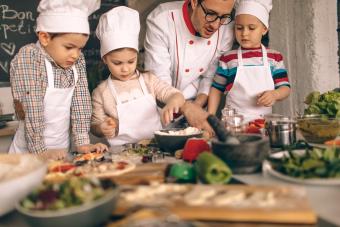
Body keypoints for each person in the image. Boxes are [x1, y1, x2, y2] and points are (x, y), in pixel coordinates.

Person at [9, 0, 108, 159]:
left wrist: (82, 142)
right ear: (44, 37)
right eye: (69, 47)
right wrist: (40, 151)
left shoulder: (77, 61)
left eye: (80, 48)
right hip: (28, 156)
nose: (75, 55)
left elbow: (80, 102)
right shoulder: (30, 57)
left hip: (61, 152)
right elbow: (32, 107)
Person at [91, 6, 185, 146]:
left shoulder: (149, 80)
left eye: (131, 61)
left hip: (155, 147)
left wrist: (171, 103)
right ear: (104, 59)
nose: (125, 68)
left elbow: (176, 95)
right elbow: (95, 125)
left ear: (137, 56)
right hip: (122, 154)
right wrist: (102, 128)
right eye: (117, 63)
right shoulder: (101, 92)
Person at [208, 0, 290, 122]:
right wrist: (210, 117)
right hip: (233, 125)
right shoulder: (228, 58)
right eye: (239, 28)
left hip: (262, 125)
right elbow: (216, 89)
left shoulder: (274, 57)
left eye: (251, 28)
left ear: (264, 29)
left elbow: (285, 88)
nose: (244, 34)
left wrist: (274, 95)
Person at [144, 0, 235, 107]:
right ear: (194, 2)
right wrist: (188, 110)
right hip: (163, 107)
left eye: (224, 16)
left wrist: (197, 105)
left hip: (199, 104)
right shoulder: (162, 19)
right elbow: (159, 80)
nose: (215, 26)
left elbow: (211, 76)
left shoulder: (227, 29)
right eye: (210, 14)